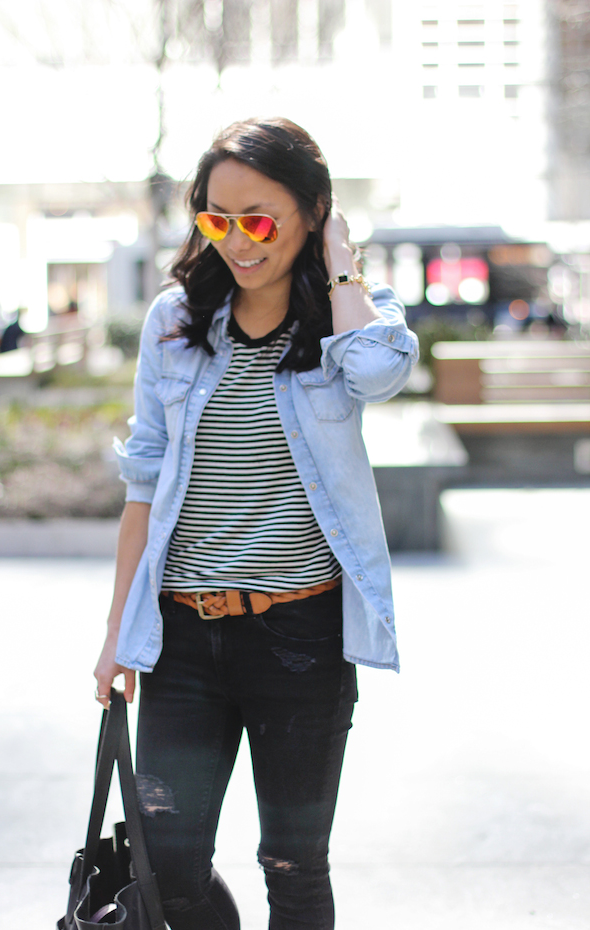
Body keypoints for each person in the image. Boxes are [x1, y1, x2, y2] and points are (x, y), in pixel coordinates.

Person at [94, 117, 419, 930]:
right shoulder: (174, 324)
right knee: (166, 868)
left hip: (300, 639)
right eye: (216, 218)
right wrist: (115, 635)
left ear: (312, 210)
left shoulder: (351, 326)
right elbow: (143, 484)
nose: (238, 241)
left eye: (261, 218)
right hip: (184, 635)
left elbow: (380, 375)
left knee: (295, 867)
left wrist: (340, 257)